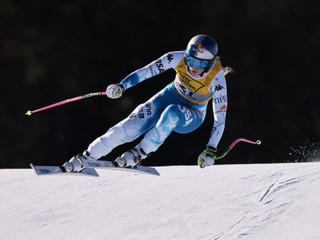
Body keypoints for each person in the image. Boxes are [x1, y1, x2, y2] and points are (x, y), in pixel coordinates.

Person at [63, 34, 232, 172]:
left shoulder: (216, 80)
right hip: (169, 95)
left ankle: (139, 153)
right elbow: (146, 71)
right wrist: (122, 86)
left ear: (210, 64)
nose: (193, 67)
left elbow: (220, 118)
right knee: (130, 125)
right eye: (191, 60)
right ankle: (86, 157)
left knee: (172, 113)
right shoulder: (176, 58)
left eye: (200, 63)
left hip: (193, 114)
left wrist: (211, 148)